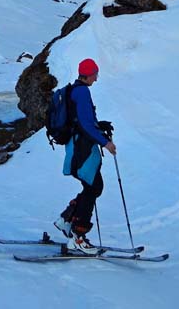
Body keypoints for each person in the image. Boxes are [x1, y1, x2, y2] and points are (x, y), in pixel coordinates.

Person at [53, 58, 116, 255]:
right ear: (88, 74)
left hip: (77, 147)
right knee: (94, 187)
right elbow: (86, 125)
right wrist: (105, 142)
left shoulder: (75, 90)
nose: (96, 78)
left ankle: (66, 220)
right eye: (95, 74)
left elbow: (82, 121)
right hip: (83, 149)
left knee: (92, 187)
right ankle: (77, 238)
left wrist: (100, 126)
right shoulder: (82, 92)